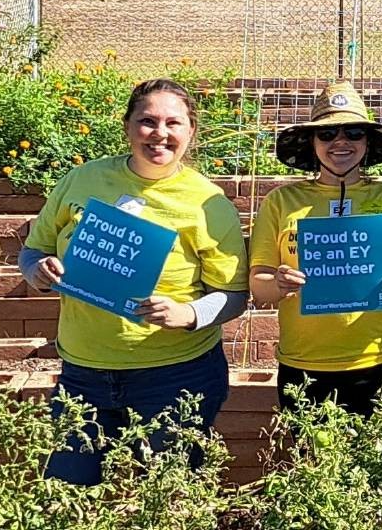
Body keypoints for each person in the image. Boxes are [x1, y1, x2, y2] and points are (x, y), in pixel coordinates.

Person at [21, 79, 249, 485]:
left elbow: (233, 296)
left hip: (175, 375)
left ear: (190, 131)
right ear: (127, 126)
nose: (160, 133)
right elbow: (33, 250)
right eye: (147, 121)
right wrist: (37, 272)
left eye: (173, 123)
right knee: (66, 491)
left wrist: (191, 313)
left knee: (170, 499)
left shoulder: (207, 202)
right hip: (83, 372)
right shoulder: (82, 180)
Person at [249, 82, 382, 416]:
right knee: (312, 463)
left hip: (379, 358)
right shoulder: (281, 202)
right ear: (312, 142)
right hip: (303, 364)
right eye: (328, 133)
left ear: (367, 141)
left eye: (353, 132)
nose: (341, 142)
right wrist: (277, 284)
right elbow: (258, 282)